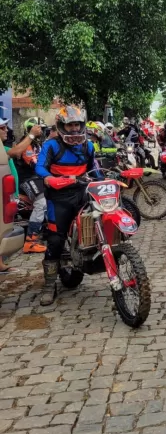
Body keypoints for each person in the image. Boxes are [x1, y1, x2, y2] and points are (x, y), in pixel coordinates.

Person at [35, 106, 101, 306]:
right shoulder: (51, 146)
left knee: (101, 218)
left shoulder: (88, 146)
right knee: (55, 240)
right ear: (62, 126)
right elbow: (39, 167)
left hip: (82, 191)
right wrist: (48, 179)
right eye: (70, 125)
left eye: (77, 125)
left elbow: (94, 167)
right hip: (59, 196)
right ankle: (49, 285)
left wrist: (104, 179)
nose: (74, 129)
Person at [13, 118, 48, 253]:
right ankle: (30, 241)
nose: (42, 132)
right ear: (29, 130)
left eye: (43, 129)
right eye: (39, 129)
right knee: (42, 203)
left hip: (38, 178)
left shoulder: (38, 144)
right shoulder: (26, 144)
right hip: (27, 180)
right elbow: (35, 164)